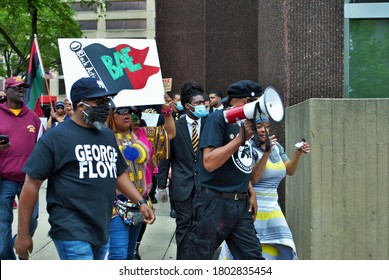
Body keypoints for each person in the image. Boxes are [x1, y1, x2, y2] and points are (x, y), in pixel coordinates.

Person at [14, 77, 155, 260]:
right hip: (70, 228)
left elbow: (119, 174)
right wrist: (23, 234)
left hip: (101, 226)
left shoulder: (106, 136)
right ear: (81, 106)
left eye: (107, 101)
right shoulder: (55, 138)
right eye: (100, 102)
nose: (106, 106)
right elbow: (31, 184)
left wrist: (140, 202)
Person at [183, 79, 266, 260]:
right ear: (246, 102)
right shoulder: (217, 119)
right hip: (214, 203)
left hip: (240, 204)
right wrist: (239, 139)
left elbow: (241, 163)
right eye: (258, 102)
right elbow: (209, 162)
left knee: (253, 257)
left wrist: (249, 190)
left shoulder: (247, 124)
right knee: (200, 256)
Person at [219, 115, 310, 260]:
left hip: (273, 207)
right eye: (259, 126)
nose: (263, 130)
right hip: (253, 206)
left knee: (285, 244)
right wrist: (266, 153)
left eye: (267, 126)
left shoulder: (277, 146)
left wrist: (297, 154)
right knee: (245, 247)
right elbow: (254, 178)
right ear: (252, 128)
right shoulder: (247, 146)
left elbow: (289, 171)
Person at [106, 97, 175, 260]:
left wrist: (166, 110)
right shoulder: (104, 137)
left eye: (129, 110)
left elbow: (170, 133)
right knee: (118, 255)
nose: (126, 113)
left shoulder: (144, 133)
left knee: (129, 254)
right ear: (111, 115)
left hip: (139, 204)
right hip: (114, 206)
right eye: (121, 111)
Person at [157, 81, 208, 259]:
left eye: (204, 102)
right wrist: (161, 185)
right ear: (187, 106)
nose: (203, 106)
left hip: (205, 187)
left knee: (202, 228)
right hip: (182, 186)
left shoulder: (210, 125)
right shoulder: (174, 126)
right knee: (184, 227)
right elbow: (165, 157)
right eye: (198, 103)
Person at [0, 76, 43, 260]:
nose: (21, 90)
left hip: (29, 181)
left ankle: (20, 239)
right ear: (7, 90)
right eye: (17, 88)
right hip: (4, 181)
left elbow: (42, 146)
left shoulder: (33, 117)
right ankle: (7, 261)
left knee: (31, 220)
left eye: (23, 87)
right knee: (2, 224)